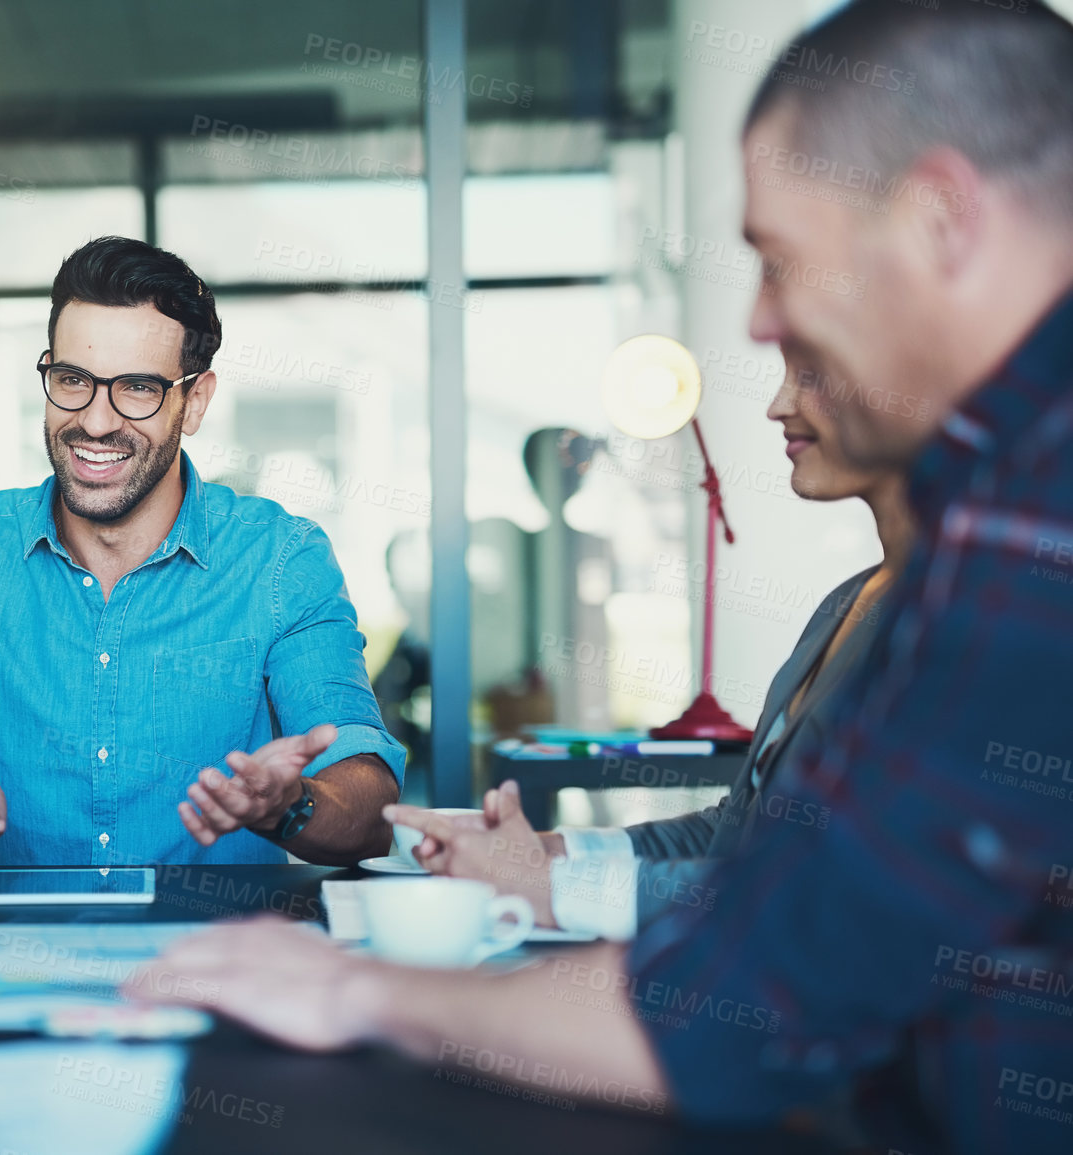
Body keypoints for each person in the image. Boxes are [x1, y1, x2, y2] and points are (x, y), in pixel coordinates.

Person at [127, 4, 1073, 1152]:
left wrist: (352, 992)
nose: (766, 320)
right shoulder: (989, 501)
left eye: (777, 259)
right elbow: (810, 900)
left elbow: (755, 1003)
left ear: (939, 216)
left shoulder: (1039, 509)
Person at [0, 236, 405, 867]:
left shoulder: (281, 561)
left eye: (137, 388)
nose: (96, 422)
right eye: (73, 379)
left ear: (196, 401)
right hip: (12, 961)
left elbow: (372, 810)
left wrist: (287, 806)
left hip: (218, 960)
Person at [392, 368, 917, 940]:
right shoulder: (846, 602)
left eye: (814, 371)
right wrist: (553, 852)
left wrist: (554, 889)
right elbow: (740, 835)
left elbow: (834, 889)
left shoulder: (953, 631)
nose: (776, 405)